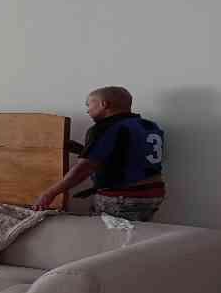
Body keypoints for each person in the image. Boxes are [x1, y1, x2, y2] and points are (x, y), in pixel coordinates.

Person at [33, 86, 165, 221]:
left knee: (108, 234)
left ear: (104, 104)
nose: (87, 110)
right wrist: (82, 150)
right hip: (153, 194)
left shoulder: (105, 127)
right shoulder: (148, 125)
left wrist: (50, 193)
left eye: (89, 105)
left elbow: (83, 169)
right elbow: (128, 156)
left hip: (123, 197)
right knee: (134, 232)